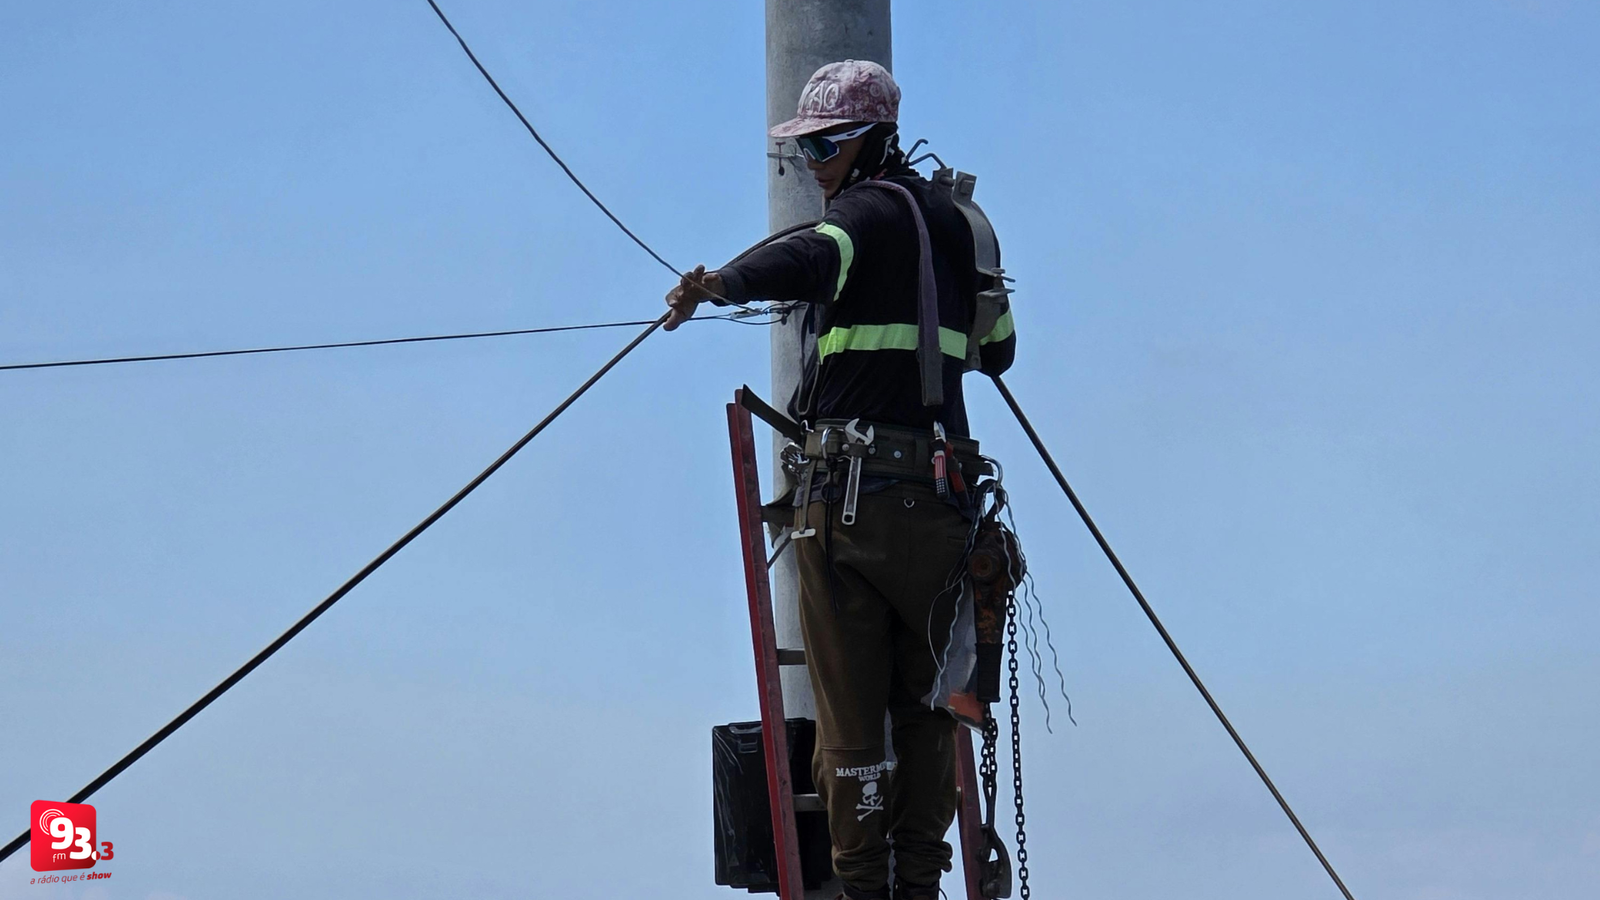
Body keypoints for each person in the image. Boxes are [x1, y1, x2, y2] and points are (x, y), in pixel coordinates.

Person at [665, 60, 1015, 900]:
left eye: (825, 146)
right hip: (944, 510)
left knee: (851, 727)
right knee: (928, 710)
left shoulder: (858, 216)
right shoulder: (964, 227)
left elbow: (808, 257)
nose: (813, 164)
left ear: (871, 139)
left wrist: (720, 285)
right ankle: (919, 884)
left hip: (853, 511)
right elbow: (1000, 350)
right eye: (805, 149)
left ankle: (862, 885)